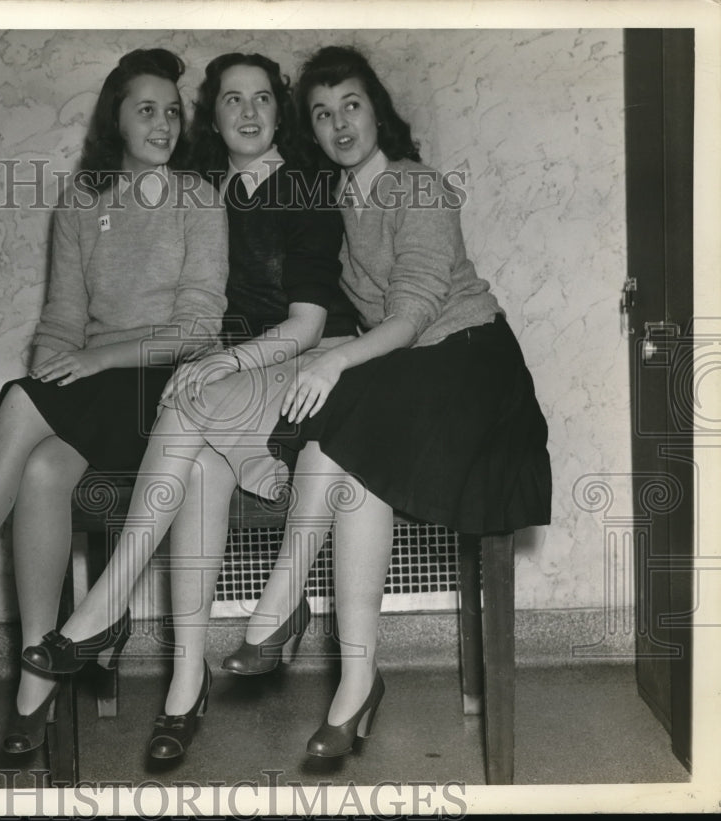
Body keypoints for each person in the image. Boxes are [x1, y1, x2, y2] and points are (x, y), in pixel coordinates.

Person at [0, 48, 228, 756]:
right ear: (114, 117)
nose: (163, 123)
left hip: (169, 388)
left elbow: (198, 328)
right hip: (99, 392)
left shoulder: (198, 202)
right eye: (146, 109)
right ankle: (34, 682)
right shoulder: (83, 203)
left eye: (172, 111)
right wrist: (60, 370)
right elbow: (60, 322)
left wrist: (93, 360)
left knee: (22, 401)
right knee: (38, 468)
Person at [20, 52, 357, 760]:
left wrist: (222, 360)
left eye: (262, 98)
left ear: (279, 110)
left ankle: (106, 606)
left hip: (298, 368)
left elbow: (306, 324)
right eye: (231, 99)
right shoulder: (202, 189)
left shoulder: (307, 189)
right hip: (220, 379)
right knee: (197, 467)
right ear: (214, 114)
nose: (248, 113)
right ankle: (184, 684)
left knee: (189, 404)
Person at [235, 45, 552, 758]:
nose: (340, 124)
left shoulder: (416, 186)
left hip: (475, 366)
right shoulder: (342, 212)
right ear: (310, 132)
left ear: (377, 108)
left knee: (341, 403)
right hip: (420, 379)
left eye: (351, 104)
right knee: (352, 466)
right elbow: (355, 325)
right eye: (321, 114)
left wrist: (339, 360)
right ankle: (355, 683)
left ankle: (281, 603)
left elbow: (409, 315)